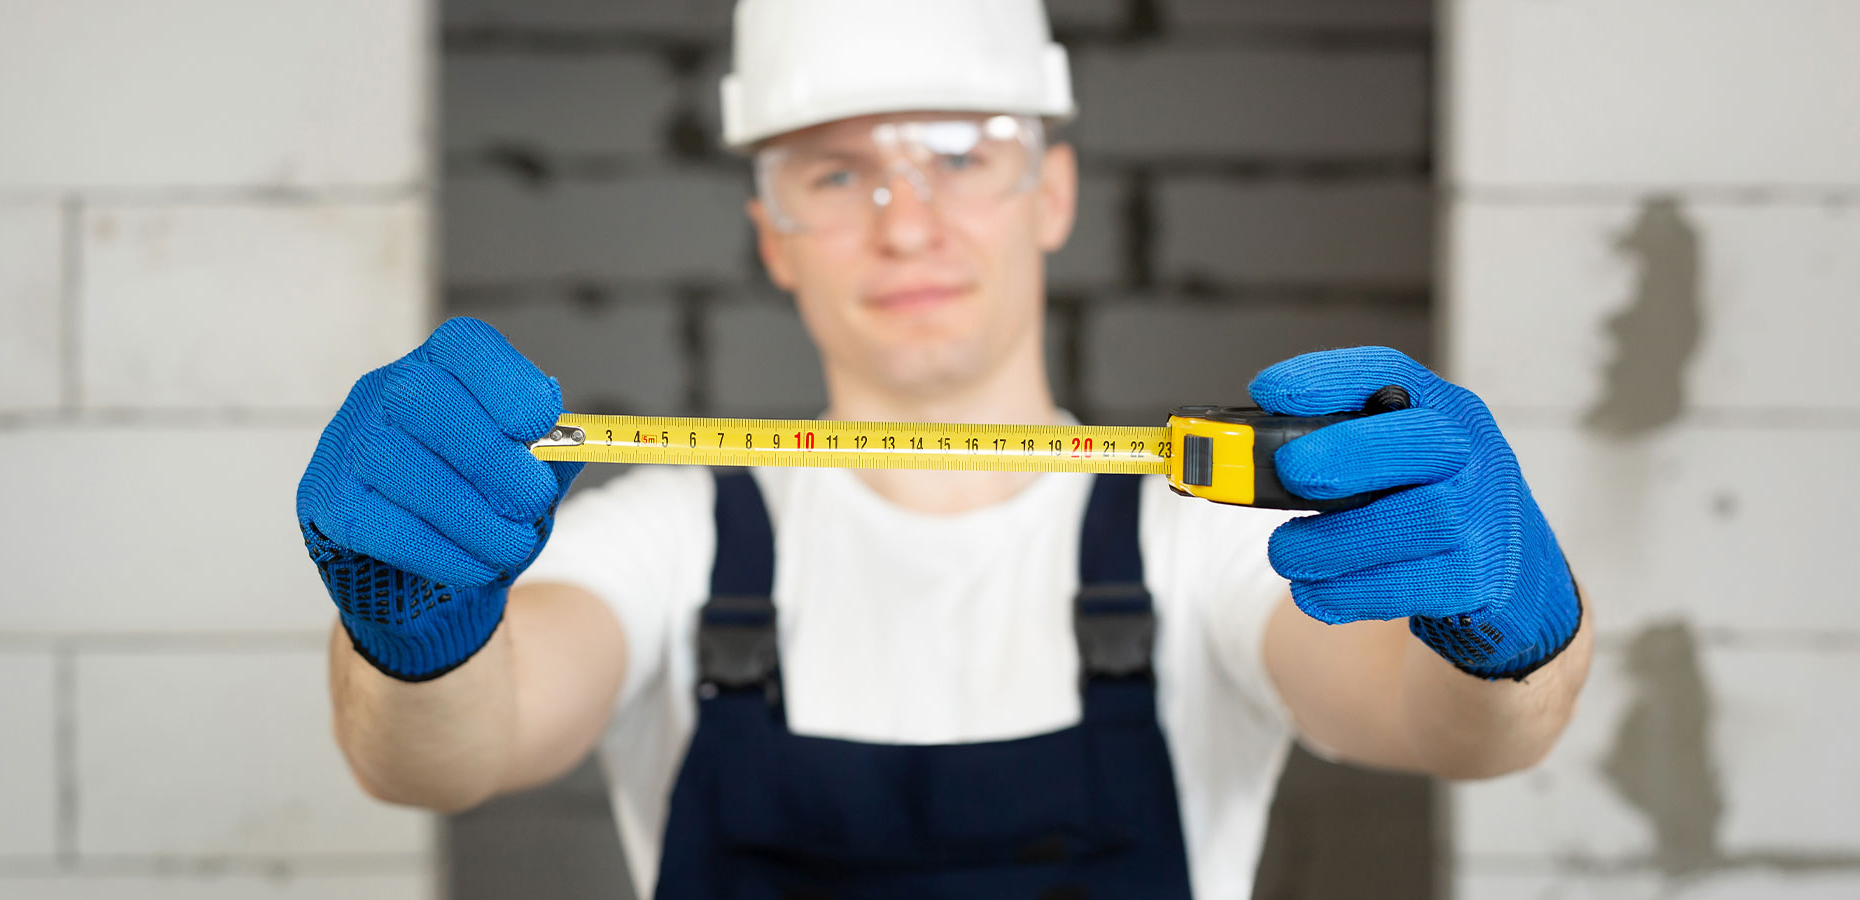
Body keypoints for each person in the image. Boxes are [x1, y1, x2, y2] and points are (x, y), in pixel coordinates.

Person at [297, 1, 1591, 897]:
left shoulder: (1201, 540)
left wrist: (1515, 621)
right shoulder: (666, 537)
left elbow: (1469, 736)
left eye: (966, 156)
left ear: (1058, 194)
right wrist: (414, 626)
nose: (907, 223)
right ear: (770, 233)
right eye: (834, 171)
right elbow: (436, 756)